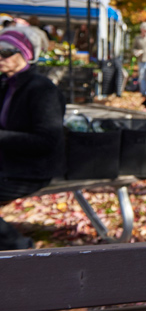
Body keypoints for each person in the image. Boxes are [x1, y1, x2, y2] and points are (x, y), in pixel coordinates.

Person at [0, 27, 66, 250]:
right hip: (7, 162)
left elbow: (47, 141)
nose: (0, 58)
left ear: (24, 54)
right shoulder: (6, 84)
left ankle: (20, 247)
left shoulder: (41, 89)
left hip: (31, 169)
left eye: (6, 52)